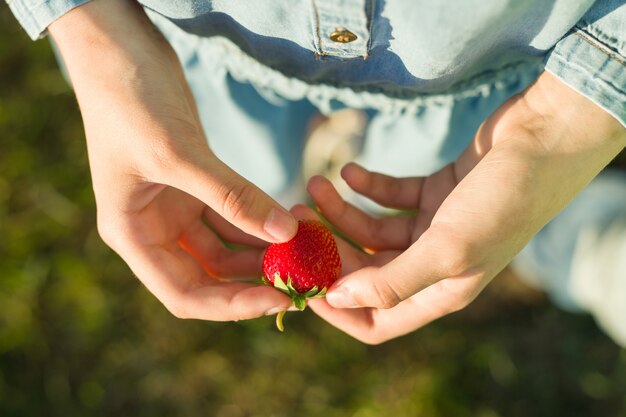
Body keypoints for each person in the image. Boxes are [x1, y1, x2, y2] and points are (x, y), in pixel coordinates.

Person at [6, 0, 626, 344]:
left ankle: (554, 230)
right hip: (183, 69)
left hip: (493, 87)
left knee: (475, 192)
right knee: (260, 175)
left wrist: (561, 126)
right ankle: (542, 222)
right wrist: (95, 34)